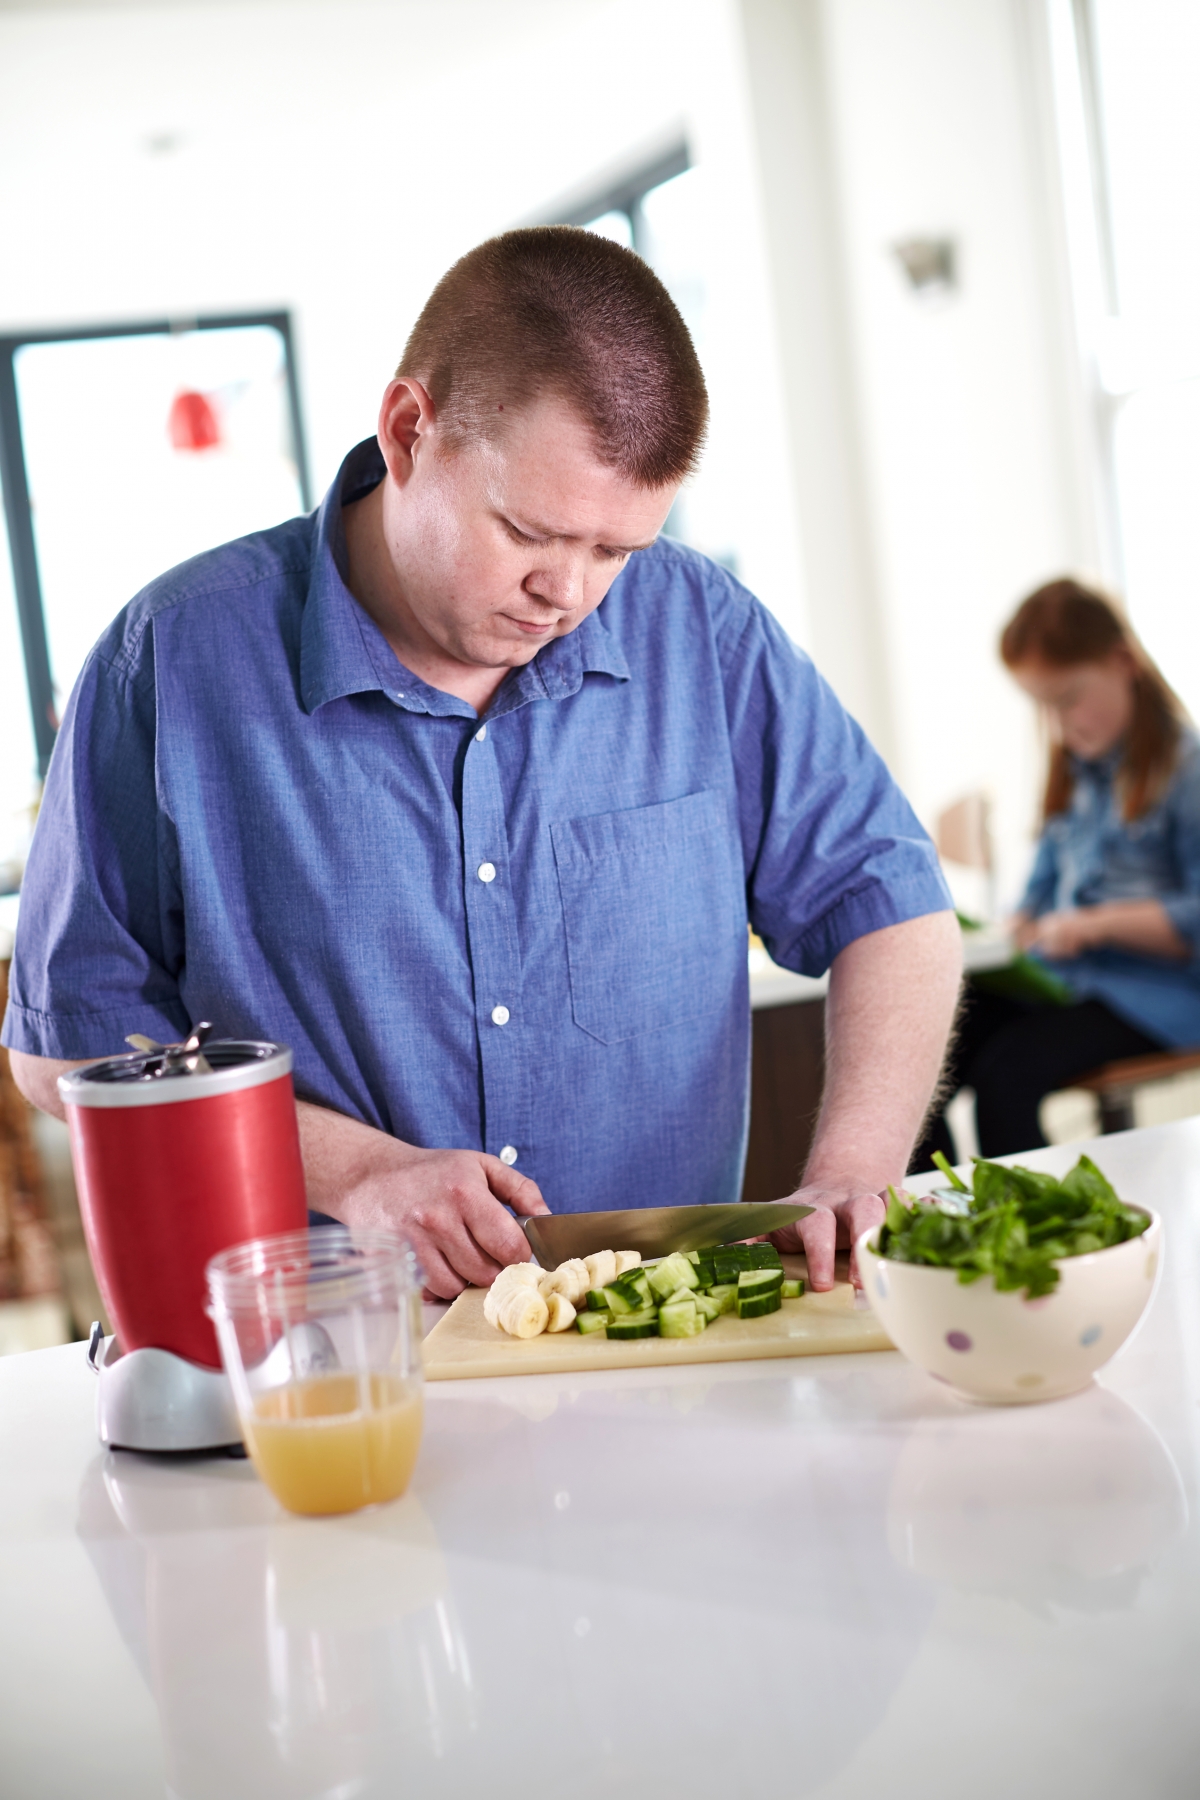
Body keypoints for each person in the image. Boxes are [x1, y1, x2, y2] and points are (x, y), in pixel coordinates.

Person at [4, 227, 960, 1296]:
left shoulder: (703, 630)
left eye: (615, 550)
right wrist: (358, 1170)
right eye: (529, 532)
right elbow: (70, 1047)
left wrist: (854, 1170)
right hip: (329, 1362)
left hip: (659, 1340)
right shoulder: (173, 661)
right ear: (410, 431)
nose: (572, 595)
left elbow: (894, 906)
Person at [913, 577, 1200, 1169]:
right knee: (918, 1058)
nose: (1059, 722)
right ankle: (940, 1228)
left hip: (1155, 997)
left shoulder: (1186, 769)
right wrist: (1019, 923)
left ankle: (1049, 1244)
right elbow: (1038, 892)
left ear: (1123, 663)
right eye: (1043, 705)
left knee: (1007, 1077)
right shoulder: (1075, 776)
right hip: (1065, 983)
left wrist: (1095, 926)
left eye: (1068, 699)